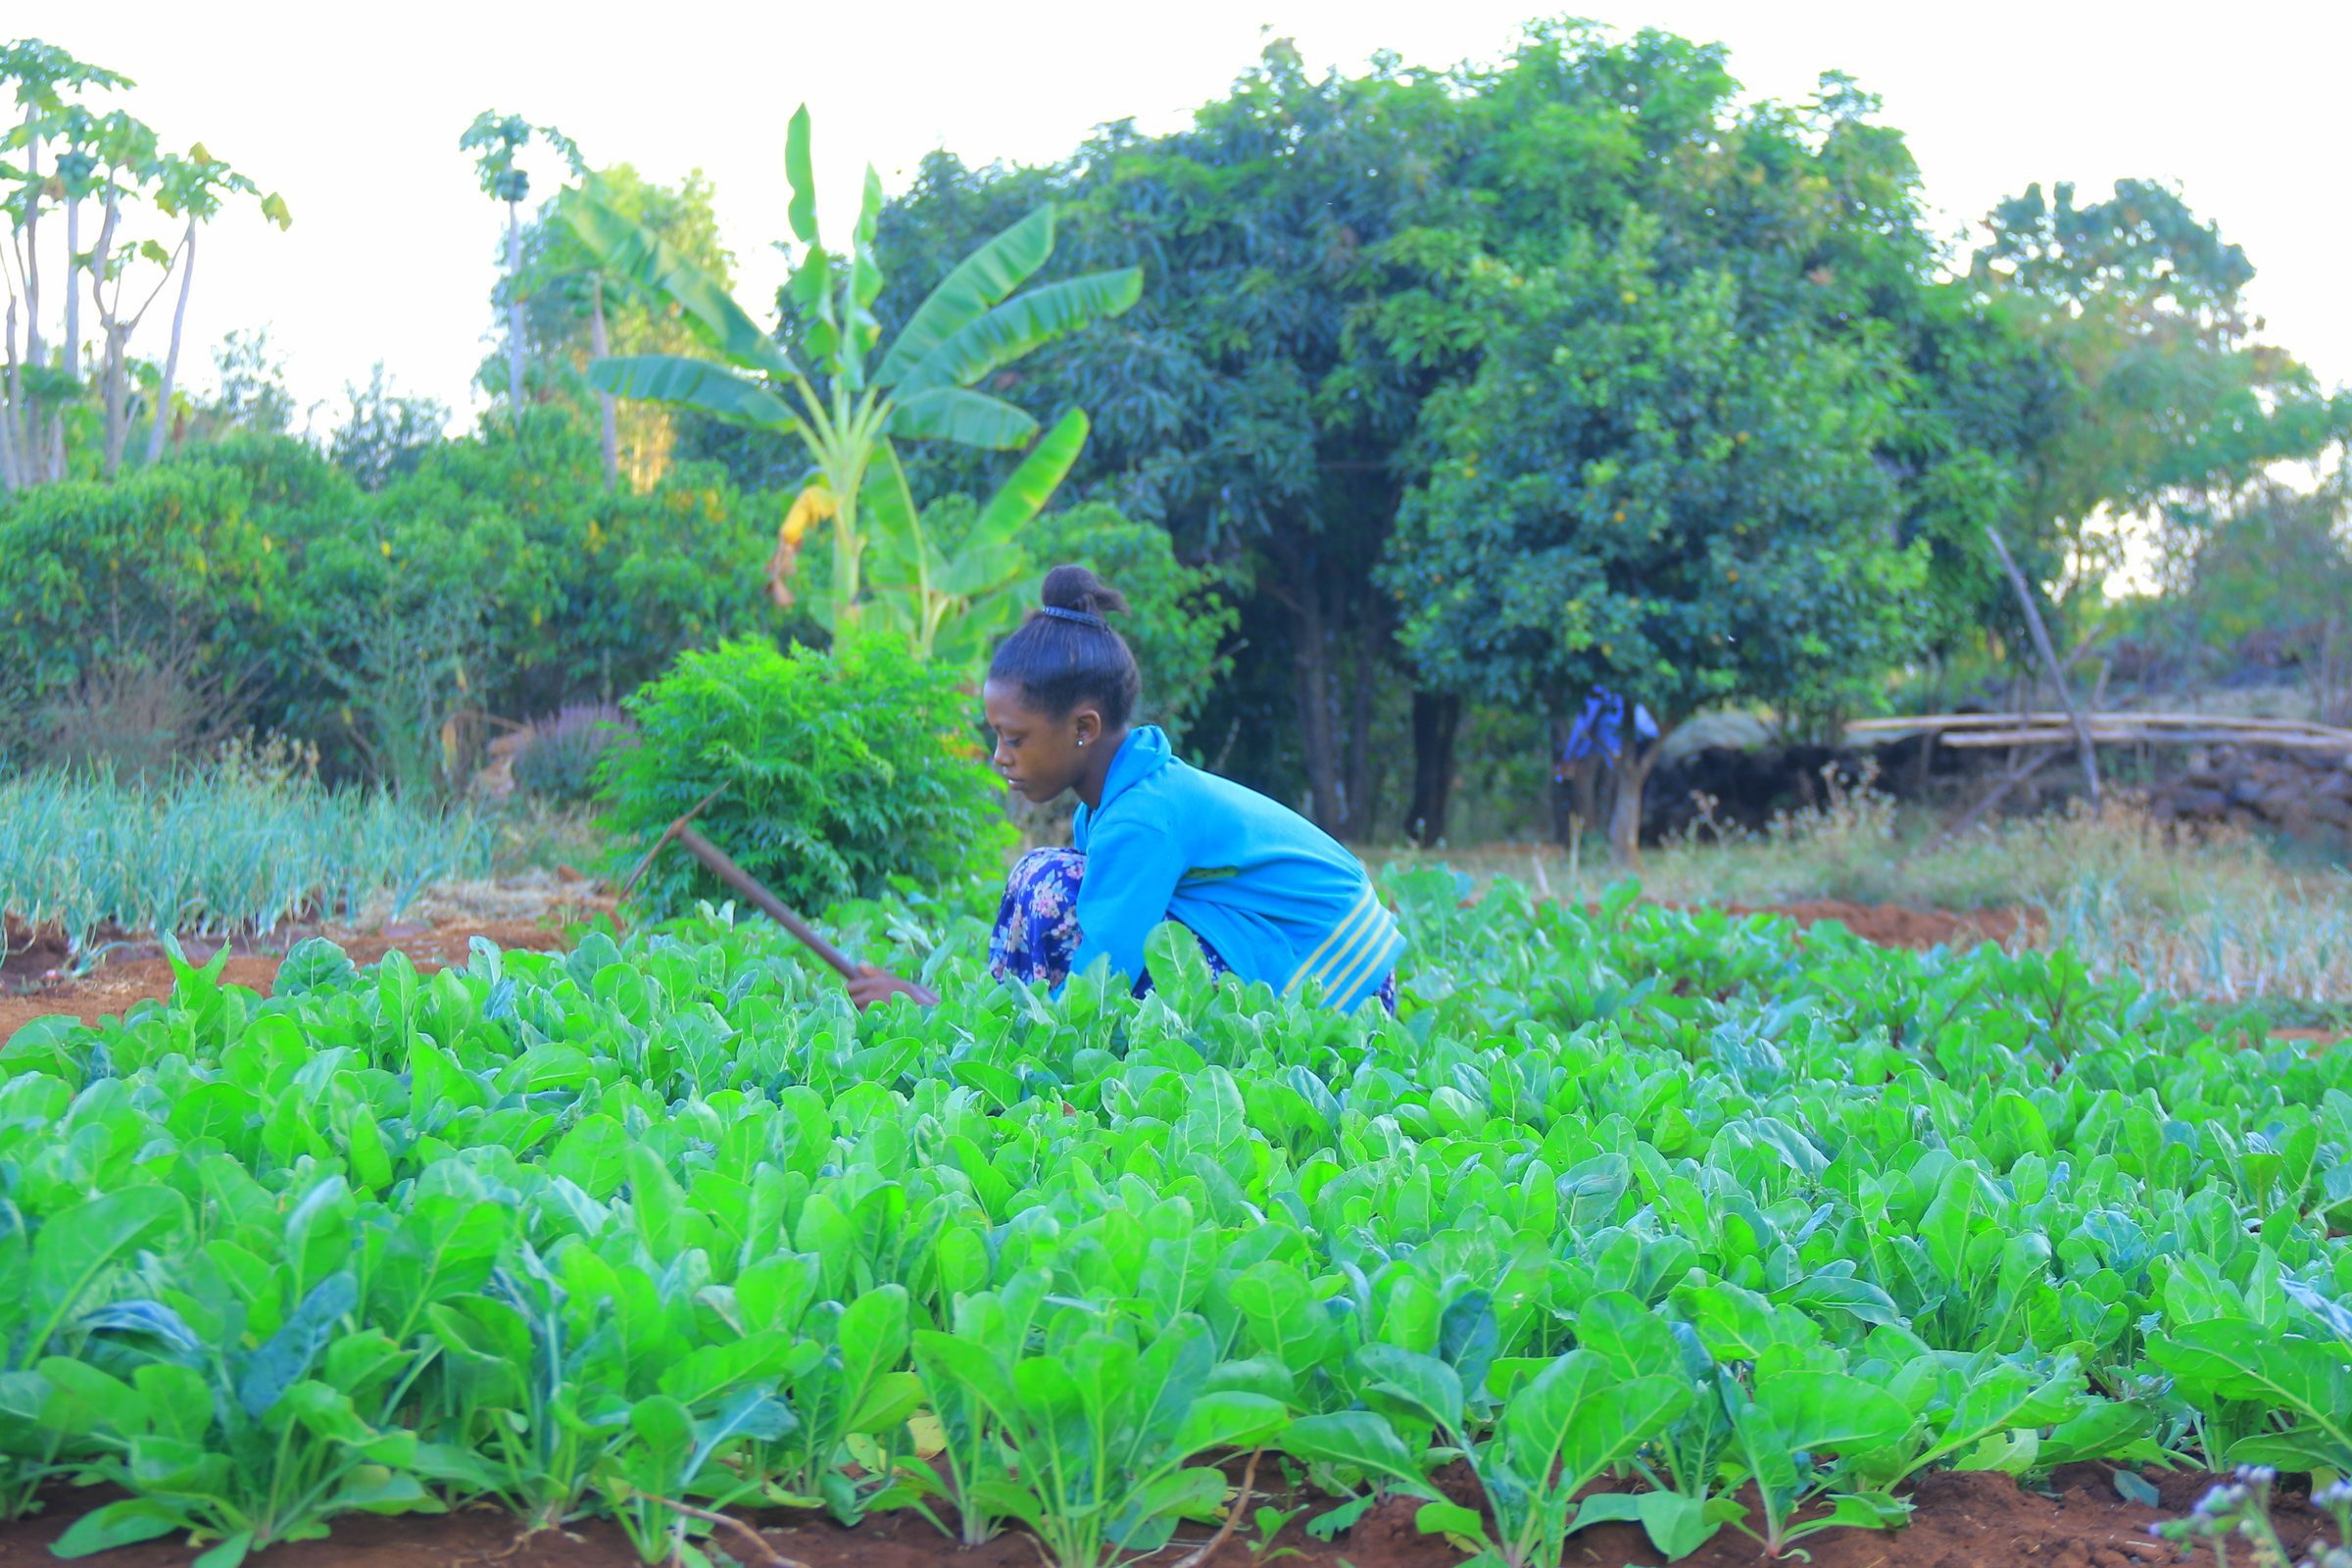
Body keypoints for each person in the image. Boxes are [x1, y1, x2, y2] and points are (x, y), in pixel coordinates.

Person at [847, 565, 1404, 1013]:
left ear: (1084, 728)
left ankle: (1017, 1041)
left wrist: (931, 1010)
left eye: (1015, 738)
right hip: (1295, 961)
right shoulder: (1118, 801)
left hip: (1339, 990)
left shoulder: (1143, 817)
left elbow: (1100, 977)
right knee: (1052, 879)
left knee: (1048, 882)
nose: (1000, 757)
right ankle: (1008, 1029)